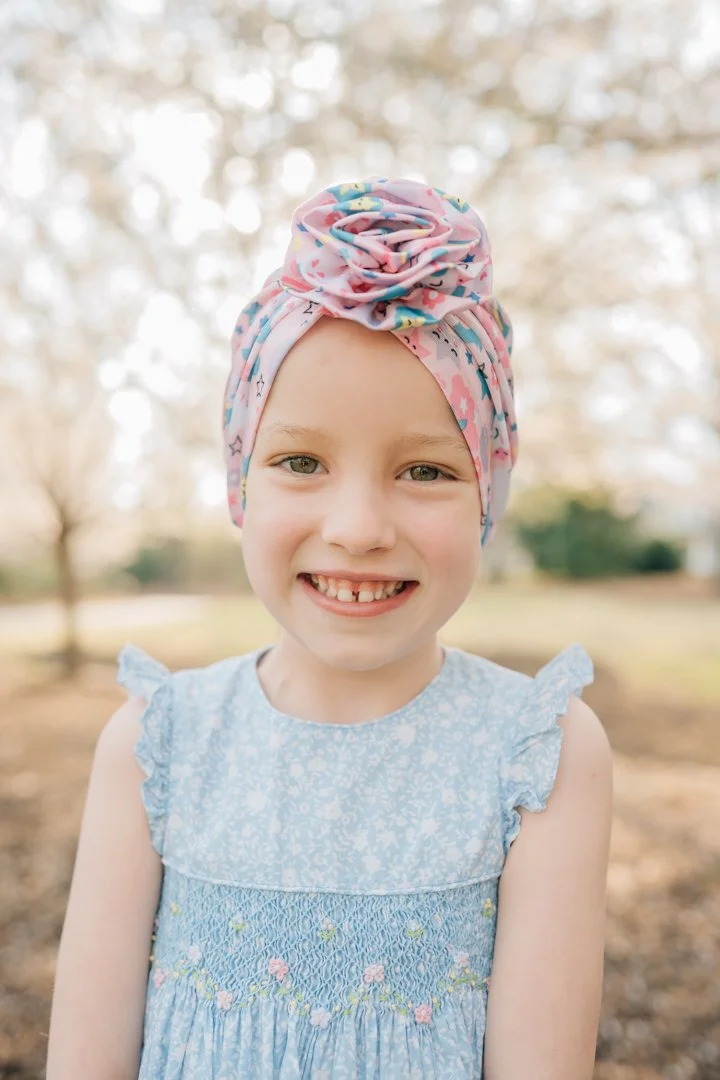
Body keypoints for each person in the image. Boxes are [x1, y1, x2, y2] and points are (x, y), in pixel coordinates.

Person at [47, 177, 613, 1079]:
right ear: (240, 482)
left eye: (425, 470)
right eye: (301, 460)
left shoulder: (537, 754)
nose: (357, 526)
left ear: (489, 497)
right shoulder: (160, 745)